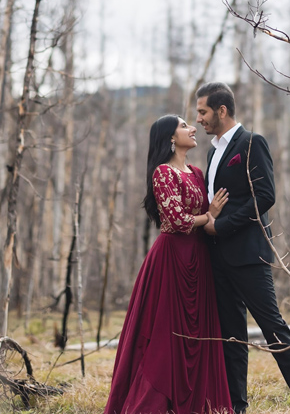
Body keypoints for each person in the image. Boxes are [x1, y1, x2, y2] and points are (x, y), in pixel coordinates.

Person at [195, 82, 290, 413]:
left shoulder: (251, 143)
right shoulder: (212, 151)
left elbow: (265, 196)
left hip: (249, 255)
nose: (198, 119)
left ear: (222, 110)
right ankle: (237, 408)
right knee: (231, 337)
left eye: (203, 111)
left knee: (274, 329)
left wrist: (221, 224)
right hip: (217, 258)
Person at [104, 115, 233, 414]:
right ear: (171, 138)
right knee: (164, 332)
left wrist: (207, 218)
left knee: (197, 331)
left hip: (198, 259)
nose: (192, 128)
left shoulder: (197, 172)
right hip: (171, 259)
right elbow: (176, 222)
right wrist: (209, 215)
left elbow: (194, 219)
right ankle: (159, 401)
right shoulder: (163, 172)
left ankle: (198, 401)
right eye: (184, 126)